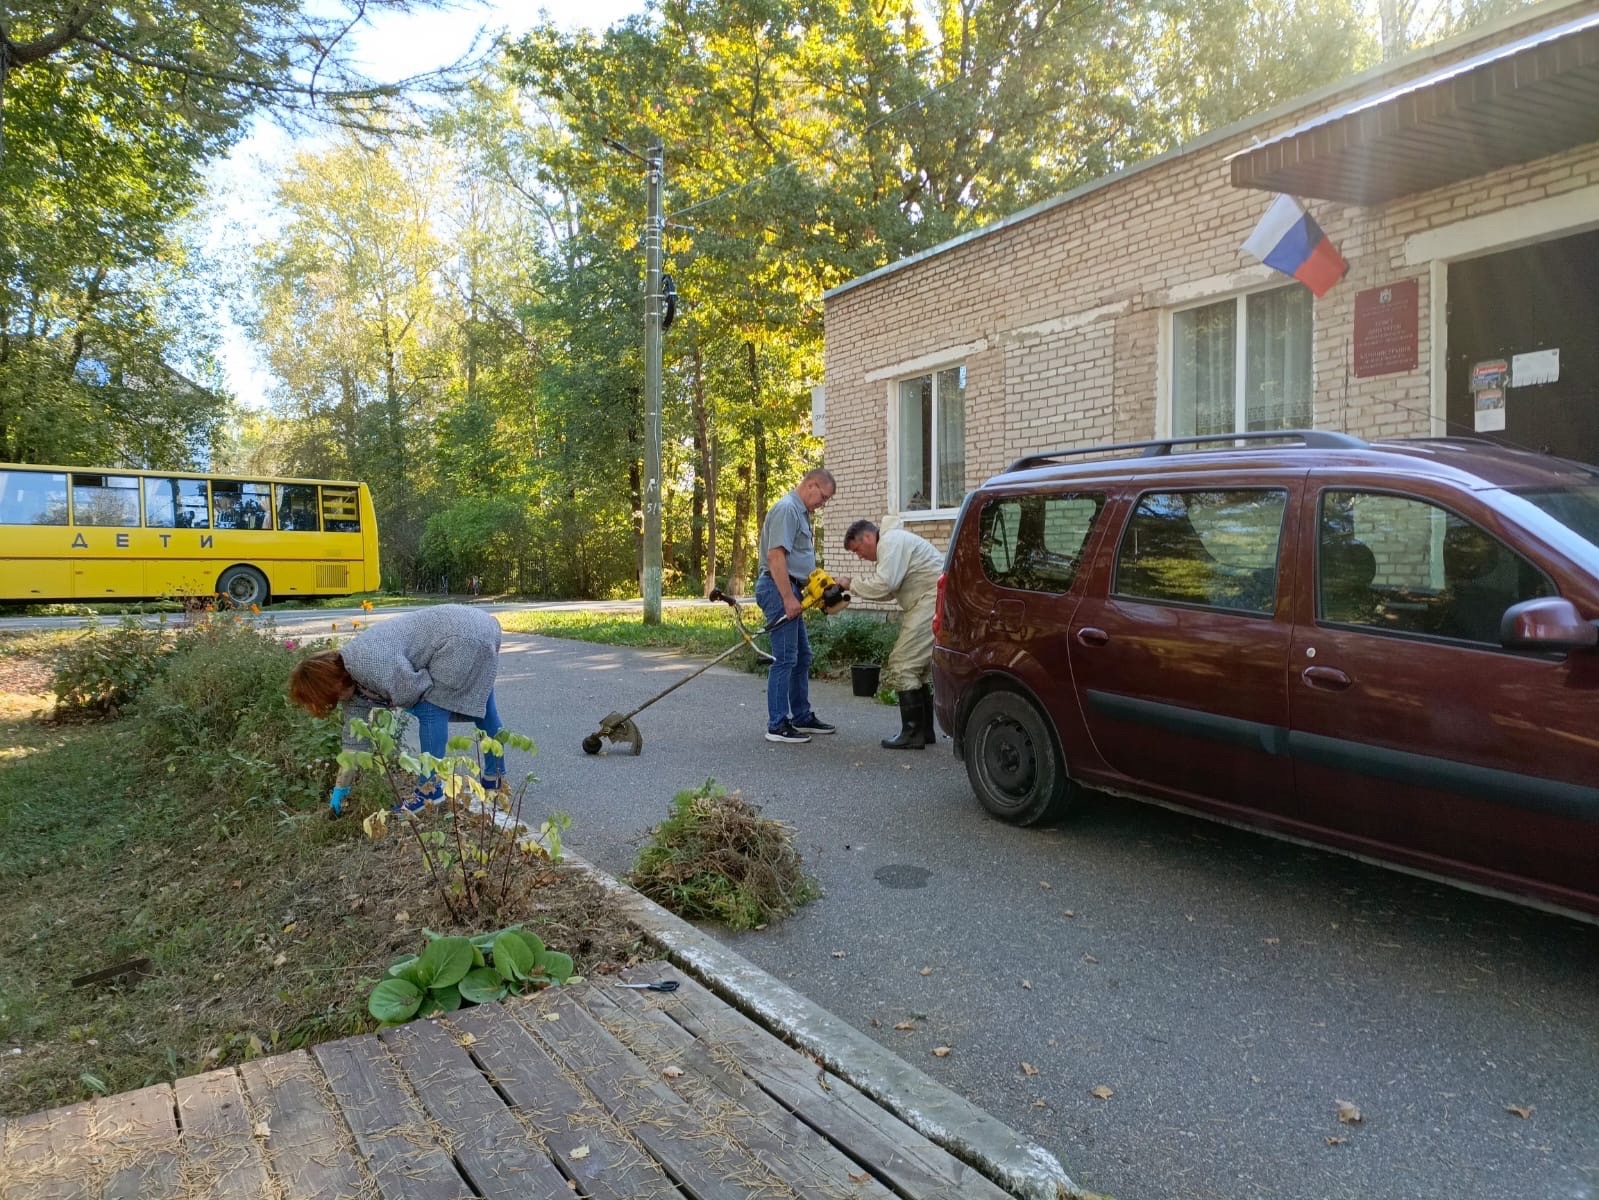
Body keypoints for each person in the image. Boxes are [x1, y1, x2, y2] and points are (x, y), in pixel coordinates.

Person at [287, 605, 506, 814]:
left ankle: (429, 792)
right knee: (485, 707)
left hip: (461, 637)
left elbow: (414, 689)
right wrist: (341, 790)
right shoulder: (350, 682)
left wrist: (403, 705)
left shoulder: (367, 663)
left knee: (431, 709)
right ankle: (494, 778)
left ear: (327, 684)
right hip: (477, 626)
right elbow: (354, 743)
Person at [838, 519, 944, 749]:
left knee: (902, 664)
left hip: (930, 601)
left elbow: (884, 585)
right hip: (932, 600)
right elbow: (890, 590)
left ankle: (913, 734)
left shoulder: (890, 542)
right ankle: (924, 731)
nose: (859, 556)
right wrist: (855, 587)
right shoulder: (894, 542)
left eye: (857, 550)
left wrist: (851, 584)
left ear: (867, 537)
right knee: (916, 669)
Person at [755, 467, 837, 744]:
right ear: (811, 485)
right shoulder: (787, 509)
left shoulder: (799, 512)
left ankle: (801, 715)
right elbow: (776, 556)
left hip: (791, 589)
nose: (822, 504)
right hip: (779, 588)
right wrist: (788, 598)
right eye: (823, 497)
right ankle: (777, 724)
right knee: (786, 658)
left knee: (802, 656)